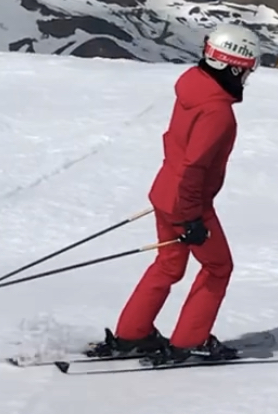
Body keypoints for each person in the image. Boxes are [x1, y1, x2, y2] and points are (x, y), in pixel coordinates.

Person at [89, 23, 260, 364]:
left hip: (166, 193)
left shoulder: (194, 88)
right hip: (187, 202)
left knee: (168, 265)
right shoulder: (217, 112)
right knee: (218, 268)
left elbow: (175, 146)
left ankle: (132, 335)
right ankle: (189, 341)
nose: (244, 78)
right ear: (230, 65)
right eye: (244, 70)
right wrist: (192, 216)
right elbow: (195, 167)